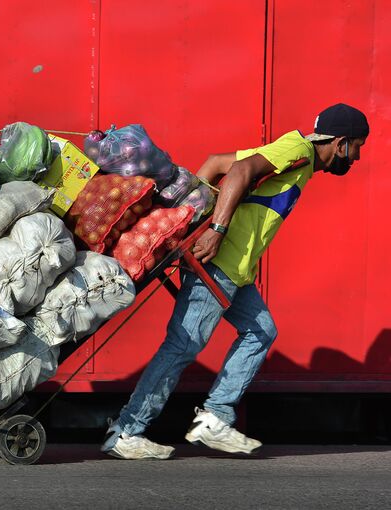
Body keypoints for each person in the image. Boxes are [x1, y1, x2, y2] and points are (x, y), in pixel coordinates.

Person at [102, 103, 370, 460]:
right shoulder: (298, 152)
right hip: (220, 263)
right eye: (357, 147)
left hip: (237, 270)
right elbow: (241, 169)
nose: (356, 157)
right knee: (183, 346)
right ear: (340, 143)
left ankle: (214, 416)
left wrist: (185, 217)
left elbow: (214, 163)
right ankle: (127, 430)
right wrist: (212, 230)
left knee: (261, 331)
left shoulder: (294, 155)